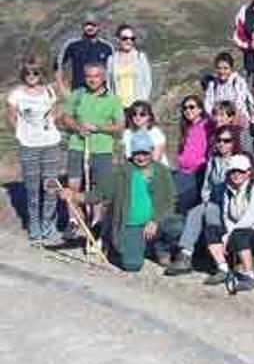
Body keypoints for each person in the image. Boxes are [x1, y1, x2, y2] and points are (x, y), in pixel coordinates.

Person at [58, 132, 183, 272]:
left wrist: (155, 220)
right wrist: (74, 195)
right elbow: (98, 194)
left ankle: (160, 247)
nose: (141, 157)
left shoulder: (161, 171)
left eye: (145, 153)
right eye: (137, 153)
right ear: (131, 153)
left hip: (155, 222)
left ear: (152, 151)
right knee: (132, 266)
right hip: (131, 224)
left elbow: (169, 201)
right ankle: (126, 244)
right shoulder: (121, 172)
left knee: (176, 225)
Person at [60, 62, 125, 240]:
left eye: (96, 76)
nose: (92, 79)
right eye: (89, 76)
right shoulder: (78, 95)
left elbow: (119, 126)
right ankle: (73, 220)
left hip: (101, 149)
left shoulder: (113, 99)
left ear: (103, 77)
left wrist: (98, 127)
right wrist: (78, 127)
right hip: (77, 146)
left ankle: (96, 223)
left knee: (97, 188)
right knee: (73, 184)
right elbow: (65, 117)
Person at [6, 56, 62, 244]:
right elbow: (11, 117)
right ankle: (34, 224)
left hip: (50, 144)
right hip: (29, 146)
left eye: (36, 72)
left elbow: (55, 110)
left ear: (41, 74)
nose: (32, 76)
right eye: (28, 73)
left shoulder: (49, 91)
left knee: (50, 186)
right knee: (31, 188)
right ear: (23, 74)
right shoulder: (16, 94)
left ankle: (48, 224)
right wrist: (21, 135)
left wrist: (50, 124)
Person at [204, 154, 254, 292]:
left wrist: (229, 236)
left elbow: (250, 219)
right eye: (233, 171)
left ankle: (249, 276)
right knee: (212, 230)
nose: (236, 174)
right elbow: (227, 217)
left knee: (239, 234)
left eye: (241, 171)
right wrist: (227, 234)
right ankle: (223, 268)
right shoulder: (228, 190)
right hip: (240, 233)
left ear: (249, 172)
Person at [180, 125, 243, 283]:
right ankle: (186, 254)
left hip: (233, 209)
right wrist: (206, 200)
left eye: (226, 141)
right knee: (196, 211)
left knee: (209, 212)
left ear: (234, 142)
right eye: (218, 141)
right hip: (214, 203)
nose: (221, 144)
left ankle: (221, 266)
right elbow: (207, 186)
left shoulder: (240, 163)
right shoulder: (213, 161)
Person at [54, 12, 114, 96]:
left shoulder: (107, 47)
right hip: (78, 94)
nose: (90, 27)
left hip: (101, 95)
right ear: (82, 26)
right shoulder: (72, 45)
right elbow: (58, 65)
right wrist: (62, 89)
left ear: (99, 26)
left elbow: (113, 72)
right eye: (87, 24)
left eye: (93, 25)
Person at [203, 51, 254, 144]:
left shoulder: (238, 82)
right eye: (219, 68)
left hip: (237, 121)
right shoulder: (213, 84)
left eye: (225, 68)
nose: (222, 71)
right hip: (218, 120)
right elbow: (208, 104)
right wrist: (216, 118)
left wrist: (226, 119)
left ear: (231, 68)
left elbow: (240, 104)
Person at [175, 95, 212, 212]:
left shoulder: (208, 124)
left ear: (200, 109)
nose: (188, 111)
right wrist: (180, 160)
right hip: (184, 171)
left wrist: (201, 162)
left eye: (192, 107)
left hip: (199, 171)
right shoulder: (187, 127)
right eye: (185, 108)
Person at [106, 24, 152, 107]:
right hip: (118, 107)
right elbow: (109, 85)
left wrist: (142, 102)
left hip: (136, 108)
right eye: (125, 38)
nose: (129, 41)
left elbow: (147, 82)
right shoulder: (111, 60)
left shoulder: (140, 57)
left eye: (132, 38)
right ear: (117, 39)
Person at [121, 101, 169, 166]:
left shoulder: (155, 133)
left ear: (149, 116)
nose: (138, 117)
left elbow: (157, 158)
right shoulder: (127, 133)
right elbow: (126, 155)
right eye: (134, 114)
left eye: (142, 114)